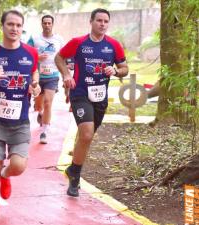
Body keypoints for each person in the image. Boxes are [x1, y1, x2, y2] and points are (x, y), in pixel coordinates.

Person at [55, 8, 129, 197]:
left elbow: (124, 68)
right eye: (99, 20)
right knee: (86, 135)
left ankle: (73, 169)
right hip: (80, 93)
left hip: (100, 97)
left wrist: (116, 71)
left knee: (86, 137)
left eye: (106, 21)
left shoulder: (113, 45)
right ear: (91, 21)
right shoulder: (78, 43)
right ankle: (76, 177)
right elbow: (59, 58)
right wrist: (66, 74)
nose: (102, 24)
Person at [0, 10, 40, 219]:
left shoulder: (31, 53)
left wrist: (35, 87)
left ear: (22, 28)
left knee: (18, 166)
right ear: (2, 27)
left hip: (20, 120)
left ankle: (5, 175)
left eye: (18, 25)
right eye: (10, 24)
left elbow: (34, 73)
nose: (14, 29)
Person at [27, 15, 64, 144]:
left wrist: (67, 69)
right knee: (38, 105)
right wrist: (37, 56)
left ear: (52, 24)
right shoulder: (35, 38)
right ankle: (40, 112)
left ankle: (45, 131)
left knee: (48, 102)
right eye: (45, 23)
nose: (47, 25)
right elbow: (27, 54)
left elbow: (64, 55)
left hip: (52, 76)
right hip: (37, 76)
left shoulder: (59, 39)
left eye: (49, 23)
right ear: (41, 24)